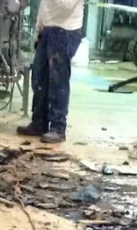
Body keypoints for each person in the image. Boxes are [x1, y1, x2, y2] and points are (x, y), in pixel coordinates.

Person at [16, 0, 85, 143]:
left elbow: (66, 6)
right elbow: (44, 6)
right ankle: (39, 123)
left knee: (58, 82)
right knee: (39, 79)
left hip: (66, 30)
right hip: (47, 30)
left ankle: (58, 128)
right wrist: (38, 30)